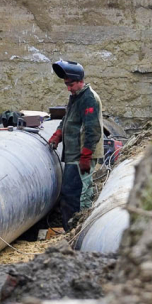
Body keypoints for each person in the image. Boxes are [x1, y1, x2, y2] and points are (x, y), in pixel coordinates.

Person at [48, 59, 104, 231]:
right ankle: (69, 231)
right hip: (73, 154)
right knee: (69, 194)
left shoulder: (88, 98)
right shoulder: (76, 96)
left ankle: (76, 233)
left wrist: (86, 156)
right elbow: (68, 119)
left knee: (77, 196)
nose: (68, 88)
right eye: (66, 84)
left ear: (80, 81)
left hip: (81, 156)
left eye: (70, 84)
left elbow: (92, 129)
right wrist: (58, 134)